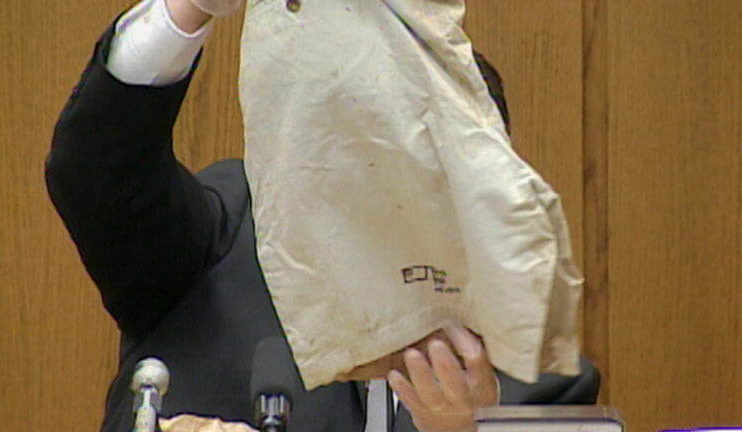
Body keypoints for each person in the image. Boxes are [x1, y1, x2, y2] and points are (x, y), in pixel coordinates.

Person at [45, 0, 599, 431]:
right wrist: (187, 10)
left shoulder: (537, 382)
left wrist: (476, 430)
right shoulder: (227, 229)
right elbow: (95, 171)